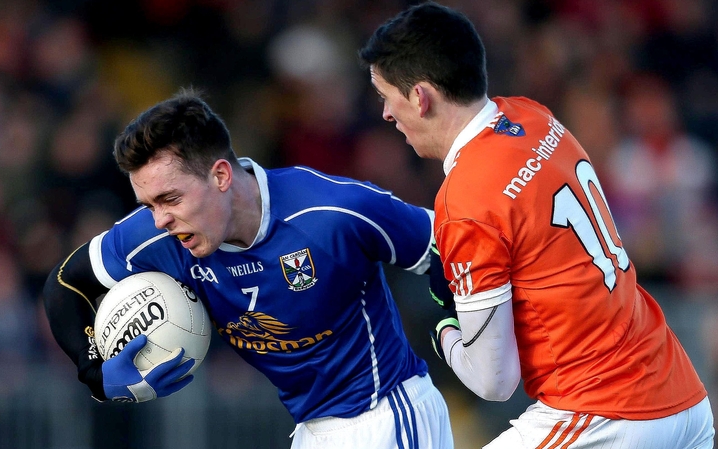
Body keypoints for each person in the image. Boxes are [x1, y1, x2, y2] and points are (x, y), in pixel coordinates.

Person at [359, 2, 715, 448]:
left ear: (420, 96)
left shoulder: (467, 198)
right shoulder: (532, 116)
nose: (387, 115)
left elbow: (494, 381)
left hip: (607, 411)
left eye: (385, 97)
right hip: (681, 393)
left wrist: (444, 326)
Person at [41, 89, 454, 449]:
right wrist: (94, 372)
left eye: (169, 198)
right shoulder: (159, 238)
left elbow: (447, 243)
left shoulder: (332, 211)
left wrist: (460, 332)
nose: (159, 220)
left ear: (220, 175)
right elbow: (64, 284)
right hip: (311, 430)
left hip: (386, 415)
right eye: (148, 205)